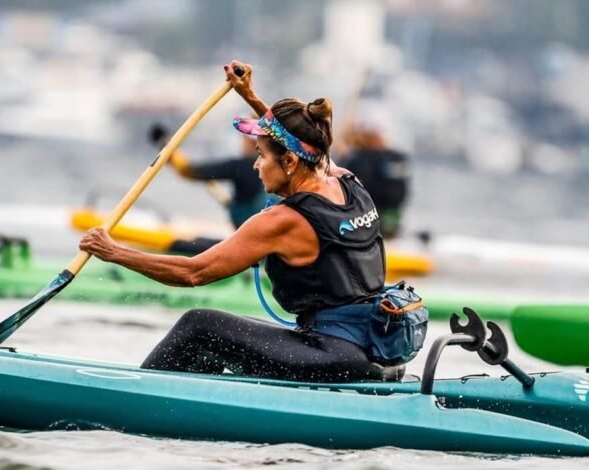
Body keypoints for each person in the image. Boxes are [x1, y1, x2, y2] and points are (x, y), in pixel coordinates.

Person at [81, 61, 400, 383]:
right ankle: (192, 408)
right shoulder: (347, 180)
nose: (256, 165)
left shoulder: (282, 221)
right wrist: (249, 95)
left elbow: (193, 273)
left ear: (288, 161)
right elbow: (306, 145)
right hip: (374, 348)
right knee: (230, 331)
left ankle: (138, 401)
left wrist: (113, 252)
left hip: (334, 355)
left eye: (261, 155)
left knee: (199, 326)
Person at [149, 120, 269, 229]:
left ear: (251, 142)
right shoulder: (273, 163)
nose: (240, 141)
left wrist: (164, 143)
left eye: (243, 137)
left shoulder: (242, 166)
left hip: (251, 229)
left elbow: (188, 171)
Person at [333, 124, 410, 238]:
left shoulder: (392, 158)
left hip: (383, 219)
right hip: (359, 220)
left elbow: (396, 193)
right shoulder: (353, 159)